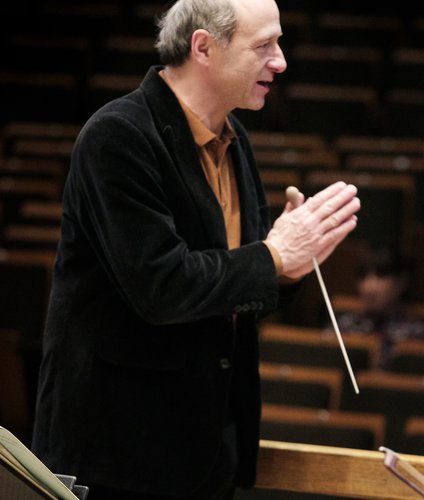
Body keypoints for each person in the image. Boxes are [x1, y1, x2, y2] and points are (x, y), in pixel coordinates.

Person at [30, 0, 361, 498]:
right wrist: (273, 256)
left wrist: (289, 264)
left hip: (206, 452)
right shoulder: (118, 135)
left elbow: (228, 288)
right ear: (203, 47)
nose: (281, 61)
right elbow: (161, 286)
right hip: (120, 456)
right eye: (264, 45)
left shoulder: (236, 139)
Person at [333, 246, 424, 368]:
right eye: (363, 276)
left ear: (401, 281)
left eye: (381, 275)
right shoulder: (343, 326)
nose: (369, 287)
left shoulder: (416, 332)